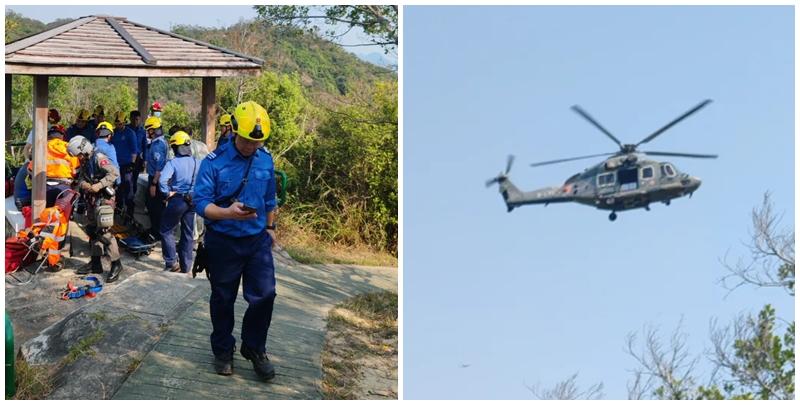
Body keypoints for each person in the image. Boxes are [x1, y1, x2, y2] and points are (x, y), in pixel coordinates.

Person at [194, 101, 277, 380]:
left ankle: (254, 348)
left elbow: (270, 198)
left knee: (265, 294)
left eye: (257, 142)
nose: (252, 146)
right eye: (246, 140)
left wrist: (272, 227)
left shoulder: (265, 159)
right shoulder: (214, 162)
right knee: (223, 298)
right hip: (223, 241)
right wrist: (227, 213)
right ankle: (222, 351)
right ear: (233, 131)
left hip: (257, 240)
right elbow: (200, 203)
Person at [68, 135, 124, 283]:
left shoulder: (99, 158)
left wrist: (98, 185)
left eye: (79, 154)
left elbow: (114, 173)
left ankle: (116, 264)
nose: (78, 158)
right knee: (92, 230)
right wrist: (83, 184)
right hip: (92, 200)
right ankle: (95, 263)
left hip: (104, 199)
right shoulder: (85, 161)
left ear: (84, 150)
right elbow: (81, 178)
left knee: (104, 232)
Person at [158, 131, 200, 273]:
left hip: (178, 199)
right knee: (188, 233)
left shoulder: (173, 163)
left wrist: (167, 192)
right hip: (193, 199)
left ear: (176, 148)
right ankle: (186, 266)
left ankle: (171, 262)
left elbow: (163, 180)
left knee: (166, 230)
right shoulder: (197, 162)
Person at [111, 112, 139, 223]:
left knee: (128, 190)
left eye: (121, 124)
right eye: (117, 124)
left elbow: (134, 150)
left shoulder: (130, 133)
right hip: (115, 165)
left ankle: (129, 214)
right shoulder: (113, 133)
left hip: (127, 165)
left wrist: (132, 164)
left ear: (124, 122)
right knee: (117, 189)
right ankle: (118, 210)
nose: (119, 126)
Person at [144, 116, 168, 239]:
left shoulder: (158, 145)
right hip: (155, 178)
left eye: (148, 130)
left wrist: (154, 184)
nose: (147, 132)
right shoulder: (157, 142)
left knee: (155, 206)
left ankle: (157, 232)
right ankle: (156, 229)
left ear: (153, 130)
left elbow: (159, 167)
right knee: (153, 205)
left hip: (156, 179)